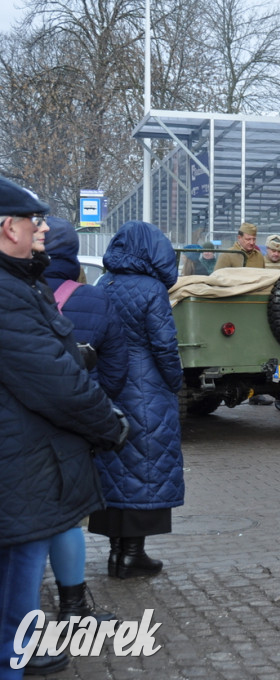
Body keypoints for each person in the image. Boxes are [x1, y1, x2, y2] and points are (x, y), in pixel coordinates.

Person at [1, 177, 126, 678]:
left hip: (24, 457)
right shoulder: (7, 292)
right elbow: (54, 381)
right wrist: (111, 425)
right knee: (20, 569)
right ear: (7, 227)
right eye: (34, 221)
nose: (43, 229)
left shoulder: (18, 282)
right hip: (22, 465)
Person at [42, 217, 128, 626]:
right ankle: (73, 606)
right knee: (67, 517)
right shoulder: (94, 299)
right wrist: (98, 406)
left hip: (20, 425)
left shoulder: (18, 294)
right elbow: (115, 367)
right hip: (74, 423)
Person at [90, 221, 184, 580]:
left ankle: (117, 554)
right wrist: (174, 381)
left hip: (108, 385)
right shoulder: (152, 289)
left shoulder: (104, 283)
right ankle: (133, 554)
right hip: (146, 386)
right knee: (144, 468)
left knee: (115, 468)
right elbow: (164, 345)